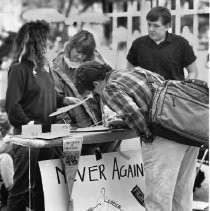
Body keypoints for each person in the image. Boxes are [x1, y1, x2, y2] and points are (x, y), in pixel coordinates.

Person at [75, 61, 199, 211]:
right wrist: (125, 123)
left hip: (165, 136)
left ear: (96, 84)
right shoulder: (137, 71)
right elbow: (154, 101)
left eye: (94, 91)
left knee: (158, 198)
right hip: (188, 130)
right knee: (181, 194)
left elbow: (133, 114)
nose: (96, 95)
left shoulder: (110, 88)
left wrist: (147, 138)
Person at [5, 20, 80, 211]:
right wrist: (28, 124)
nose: (47, 44)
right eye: (44, 40)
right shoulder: (18, 69)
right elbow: (12, 106)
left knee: (44, 188)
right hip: (27, 138)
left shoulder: (43, 69)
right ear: (34, 42)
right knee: (22, 189)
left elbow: (48, 95)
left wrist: (64, 100)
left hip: (47, 135)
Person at [51, 30, 118, 155]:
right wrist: (67, 128)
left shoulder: (98, 61)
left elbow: (110, 88)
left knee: (107, 163)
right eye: (78, 52)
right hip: (75, 128)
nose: (80, 57)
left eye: (85, 54)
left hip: (102, 124)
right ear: (71, 46)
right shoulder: (56, 68)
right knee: (79, 167)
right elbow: (58, 104)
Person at [127, 6, 198, 81]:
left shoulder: (181, 43)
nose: (151, 29)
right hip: (146, 92)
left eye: (156, 26)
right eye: (149, 24)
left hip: (173, 91)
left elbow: (193, 72)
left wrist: (182, 89)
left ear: (167, 26)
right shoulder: (138, 44)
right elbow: (129, 72)